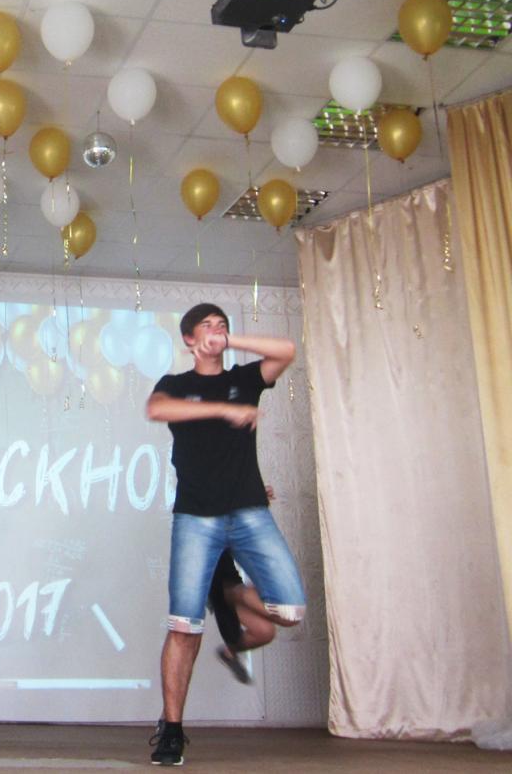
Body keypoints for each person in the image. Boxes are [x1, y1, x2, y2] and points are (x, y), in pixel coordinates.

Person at [145, 303, 305, 766]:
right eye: (207, 326)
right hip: (196, 518)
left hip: (249, 512)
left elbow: (286, 349)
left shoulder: (246, 379)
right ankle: (172, 730)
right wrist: (224, 410)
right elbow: (156, 409)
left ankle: (233, 596)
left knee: (290, 610)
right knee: (184, 627)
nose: (216, 330)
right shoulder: (177, 384)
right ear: (189, 340)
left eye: (222, 326)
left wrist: (232, 343)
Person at [207, 486, 280, 685]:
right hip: (220, 584)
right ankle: (233, 595)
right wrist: (253, 498)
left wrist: (255, 500)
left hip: (229, 582)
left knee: (265, 632)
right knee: (282, 612)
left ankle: (229, 652)